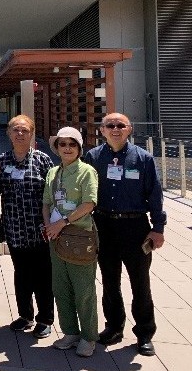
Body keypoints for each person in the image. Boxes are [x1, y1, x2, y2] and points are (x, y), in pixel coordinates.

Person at [84, 113, 166, 356]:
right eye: (110, 125)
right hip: (104, 226)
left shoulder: (143, 158)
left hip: (135, 228)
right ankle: (114, 327)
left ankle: (144, 334)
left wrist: (158, 228)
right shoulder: (93, 157)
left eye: (121, 125)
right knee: (110, 282)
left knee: (140, 283)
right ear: (102, 130)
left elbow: (155, 194)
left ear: (129, 129)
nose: (116, 129)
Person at [0, 115, 55, 338]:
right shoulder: (2, 161)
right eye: (16, 130)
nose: (20, 134)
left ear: (31, 134)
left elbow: (52, 194)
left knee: (43, 277)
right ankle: (25, 315)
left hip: (39, 231)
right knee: (21, 275)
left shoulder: (42, 160)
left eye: (25, 130)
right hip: (14, 230)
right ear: (9, 134)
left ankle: (45, 318)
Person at [42, 127, 99, 357]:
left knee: (83, 289)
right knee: (61, 287)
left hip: (79, 236)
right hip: (56, 237)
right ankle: (70, 332)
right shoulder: (53, 173)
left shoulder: (87, 172)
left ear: (79, 148)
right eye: (62, 144)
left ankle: (88, 336)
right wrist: (49, 225)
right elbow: (46, 202)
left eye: (71, 144)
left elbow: (89, 203)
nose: (66, 148)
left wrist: (62, 222)